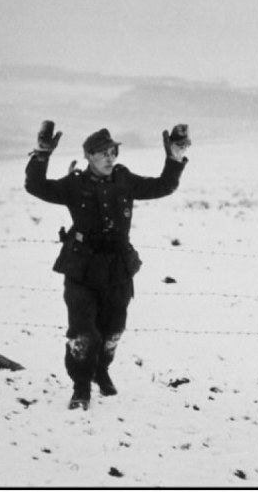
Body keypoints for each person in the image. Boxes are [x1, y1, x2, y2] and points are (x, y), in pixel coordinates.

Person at [25, 121, 190, 410]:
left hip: (118, 268)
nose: (109, 158)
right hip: (82, 268)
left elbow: (163, 186)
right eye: (102, 153)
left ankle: (101, 371)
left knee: (113, 330)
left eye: (113, 152)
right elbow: (36, 186)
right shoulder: (75, 184)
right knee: (83, 333)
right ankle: (81, 386)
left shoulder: (124, 180)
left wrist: (174, 158)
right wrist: (41, 155)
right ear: (88, 156)